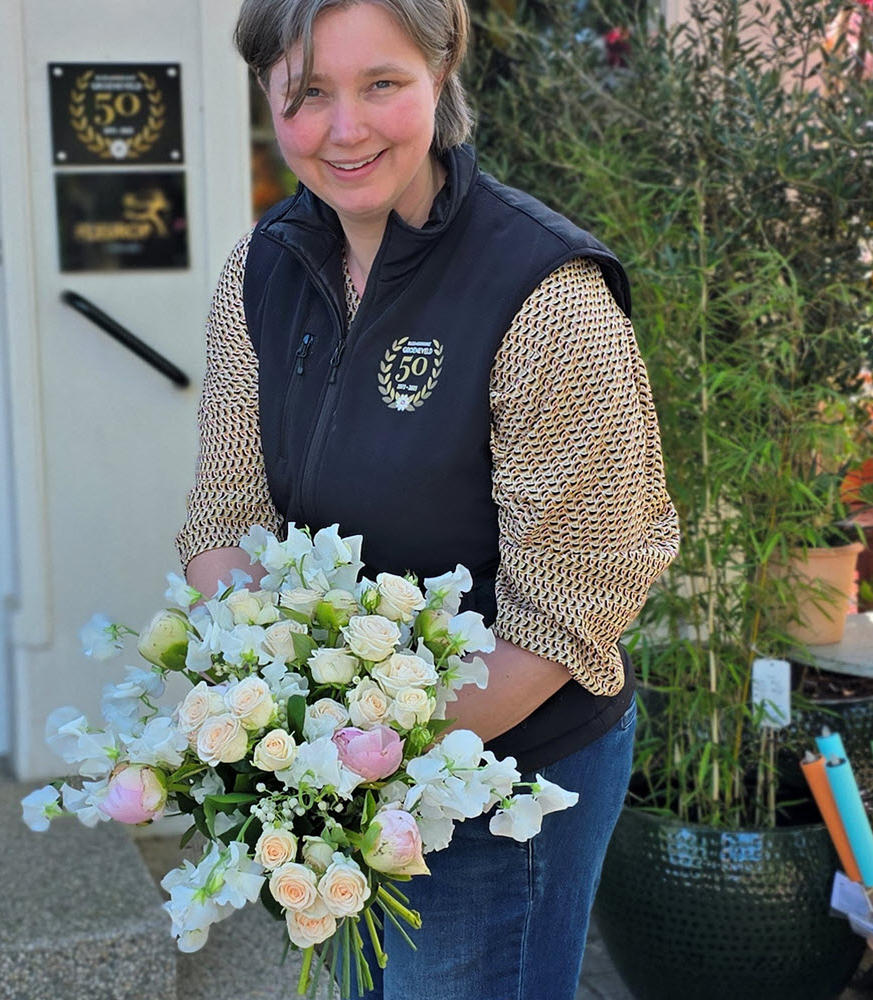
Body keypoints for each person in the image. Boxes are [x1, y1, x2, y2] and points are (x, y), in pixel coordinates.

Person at [175, 1, 680, 997]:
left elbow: (565, 607)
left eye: (381, 85)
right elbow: (228, 512)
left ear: (442, 71)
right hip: (341, 768)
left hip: (507, 778)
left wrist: (346, 763)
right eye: (308, 93)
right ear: (268, 95)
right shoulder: (261, 270)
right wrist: (265, 715)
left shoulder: (545, 295)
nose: (345, 128)